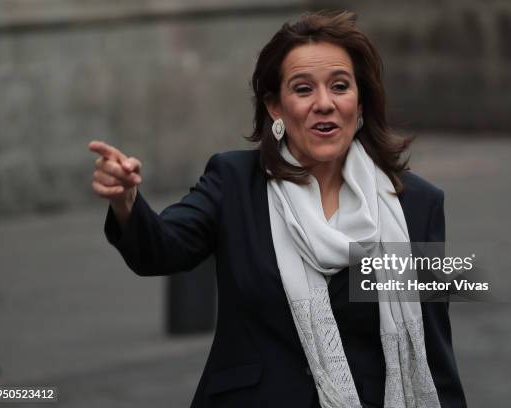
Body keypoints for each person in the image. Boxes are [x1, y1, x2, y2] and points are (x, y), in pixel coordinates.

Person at [89, 10, 466, 408]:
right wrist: (126, 200)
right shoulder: (235, 182)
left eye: (340, 86)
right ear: (275, 108)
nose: (324, 103)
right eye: (303, 90)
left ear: (360, 103)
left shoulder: (415, 205)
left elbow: (434, 346)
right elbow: (162, 248)